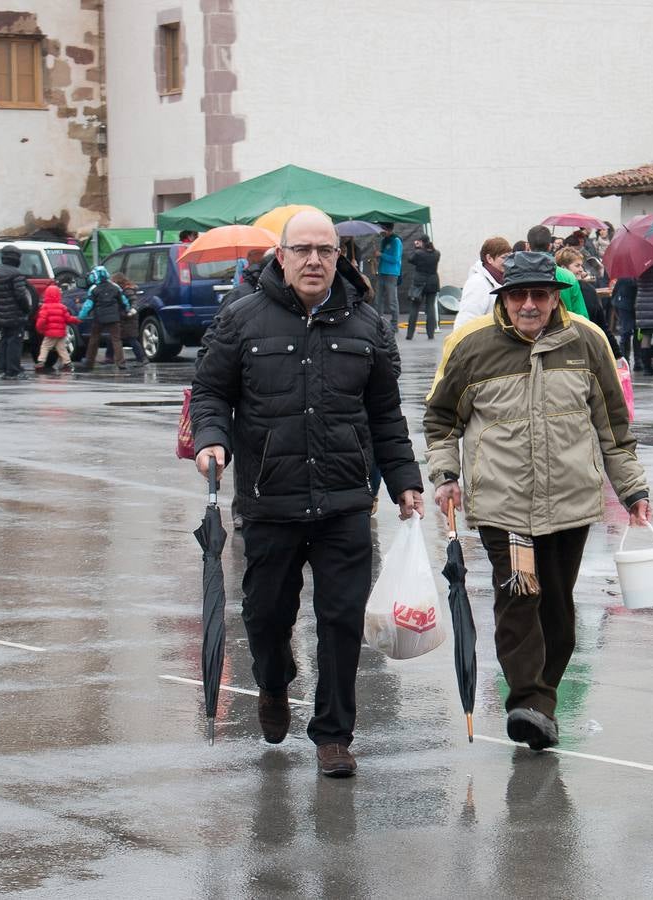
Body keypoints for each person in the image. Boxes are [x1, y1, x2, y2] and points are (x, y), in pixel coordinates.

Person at [192, 210, 424, 778]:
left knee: (341, 621)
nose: (315, 260)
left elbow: (386, 416)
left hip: (345, 501)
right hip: (270, 500)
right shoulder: (241, 319)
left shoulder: (367, 325)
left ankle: (334, 736)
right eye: (303, 250)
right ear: (282, 256)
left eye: (325, 250)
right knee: (267, 617)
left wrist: (405, 481)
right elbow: (210, 391)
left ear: (338, 257)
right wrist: (212, 440)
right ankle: (273, 683)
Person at [424, 251, 649, 751]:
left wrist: (632, 488)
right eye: (518, 295)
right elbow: (441, 420)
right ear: (503, 299)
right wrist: (445, 475)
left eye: (539, 295)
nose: (529, 305)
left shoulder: (588, 342)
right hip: (504, 507)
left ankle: (539, 697)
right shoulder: (473, 346)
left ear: (554, 298)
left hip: (570, 502)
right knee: (520, 599)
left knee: (559, 612)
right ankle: (528, 702)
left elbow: (613, 426)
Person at [556, 247, 621, 357]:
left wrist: (617, 354)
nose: (581, 269)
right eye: (577, 265)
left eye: (581, 265)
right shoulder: (556, 292)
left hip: (588, 347)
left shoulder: (589, 290)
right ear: (563, 268)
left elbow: (602, 325)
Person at [0, 244, 34, 380]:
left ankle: (5, 369)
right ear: (16, 259)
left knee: (5, 341)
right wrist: (26, 309)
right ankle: (14, 370)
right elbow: (21, 295)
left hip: (2, 314)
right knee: (15, 342)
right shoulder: (16, 274)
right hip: (16, 315)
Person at [526, 225, 588, 317]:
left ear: (528, 246)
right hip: (564, 328)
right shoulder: (569, 277)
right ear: (550, 246)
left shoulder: (518, 275)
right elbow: (582, 316)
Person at [74, 265, 127, 372]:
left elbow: (88, 305)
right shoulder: (115, 287)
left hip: (99, 318)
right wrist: (126, 310)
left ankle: (89, 362)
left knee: (94, 339)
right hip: (114, 318)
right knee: (116, 340)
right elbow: (124, 301)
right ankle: (121, 363)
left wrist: (81, 317)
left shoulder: (94, 289)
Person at [454, 236, 511, 331]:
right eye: (504, 257)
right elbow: (466, 321)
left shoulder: (501, 280)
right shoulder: (477, 283)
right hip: (482, 343)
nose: (508, 262)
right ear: (489, 258)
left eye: (510, 257)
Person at [33, 284, 78, 374]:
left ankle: (41, 362)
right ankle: (67, 363)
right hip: (61, 333)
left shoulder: (45, 307)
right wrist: (77, 319)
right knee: (61, 348)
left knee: (45, 347)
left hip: (50, 333)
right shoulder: (62, 307)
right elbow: (68, 319)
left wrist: (40, 329)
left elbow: (41, 321)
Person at [109, 273, 149, 367]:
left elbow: (133, 301)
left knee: (132, 339)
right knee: (124, 339)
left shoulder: (127, 290)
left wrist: (131, 311)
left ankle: (142, 358)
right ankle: (141, 358)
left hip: (129, 319)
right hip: (128, 318)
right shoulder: (127, 289)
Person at [406, 237, 440, 340]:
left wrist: (416, 248)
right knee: (430, 308)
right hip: (433, 282)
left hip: (419, 282)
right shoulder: (437, 253)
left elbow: (410, 259)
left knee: (414, 307)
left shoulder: (419, 253)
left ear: (421, 242)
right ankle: (431, 334)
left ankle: (410, 334)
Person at [375, 222, 403, 330]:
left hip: (392, 274)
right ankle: (378, 322)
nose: (381, 232)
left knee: (392, 301)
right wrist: (377, 257)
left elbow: (395, 259)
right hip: (382, 272)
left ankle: (394, 325)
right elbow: (384, 256)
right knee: (378, 300)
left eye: (383, 229)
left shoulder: (396, 241)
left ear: (388, 229)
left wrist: (381, 254)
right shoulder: (384, 240)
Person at [612, 276, 638, 369]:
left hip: (634, 304)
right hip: (624, 304)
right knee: (626, 332)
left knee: (637, 332)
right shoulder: (625, 275)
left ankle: (637, 362)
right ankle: (625, 360)